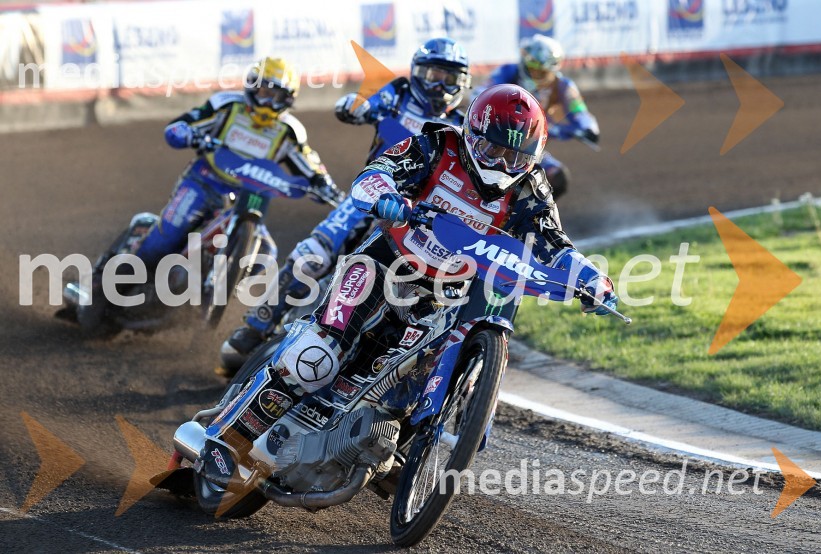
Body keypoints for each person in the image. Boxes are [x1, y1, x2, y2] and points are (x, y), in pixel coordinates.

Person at [199, 84, 618, 486]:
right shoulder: (437, 146)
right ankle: (225, 441)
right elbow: (375, 173)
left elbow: (555, 244)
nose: (501, 164)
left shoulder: (530, 189)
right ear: (472, 133)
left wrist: (591, 279)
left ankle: (380, 452)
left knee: (388, 388)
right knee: (317, 355)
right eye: (493, 148)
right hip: (382, 264)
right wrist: (385, 196)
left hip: (441, 299)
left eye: (515, 155)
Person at [218, 38, 472, 375]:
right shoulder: (398, 94)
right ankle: (258, 324)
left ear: (462, 83)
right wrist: (357, 106)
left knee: (407, 292)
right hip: (371, 196)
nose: (439, 85)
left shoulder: (463, 126)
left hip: (415, 218)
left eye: (449, 78)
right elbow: (360, 103)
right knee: (314, 253)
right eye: (432, 74)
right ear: (416, 74)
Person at [132, 57, 340, 269]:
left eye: (276, 96)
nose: (268, 102)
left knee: (265, 257)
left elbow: (310, 163)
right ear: (252, 86)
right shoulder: (227, 105)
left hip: (249, 199)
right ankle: (111, 278)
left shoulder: (289, 131)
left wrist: (324, 185)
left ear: (287, 100)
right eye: (264, 92)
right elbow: (180, 126)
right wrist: (188, 134)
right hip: (204, 181)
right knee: (164, 239)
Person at [476, 34, 599, 200]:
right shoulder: (507, 72)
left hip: (528, 150)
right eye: (532, 68)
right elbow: (478, 94)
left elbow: (579, 110)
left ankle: (530, 218)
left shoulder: (562, 85)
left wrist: (587, 128)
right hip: (492, 140)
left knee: (557, 177)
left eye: (541, 72)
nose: (535, 75)